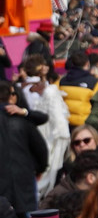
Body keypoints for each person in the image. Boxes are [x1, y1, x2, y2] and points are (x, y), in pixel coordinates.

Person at [17, 55, 71, 198]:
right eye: (43, 65)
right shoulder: (43, 89)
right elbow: (46, 112)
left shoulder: (23, 86)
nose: (46, 67)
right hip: (47, 130)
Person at [0, 79, 48, 218]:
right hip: (24, 178)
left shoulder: (22, 118)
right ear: (12, 96)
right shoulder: (22, 120)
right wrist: (41, 168)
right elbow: (40, 148)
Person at [60, 50, 98, 127]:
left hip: (64, 123)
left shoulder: (61, 81)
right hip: (85, 124)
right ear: (87, 64)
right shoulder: (95, 83)